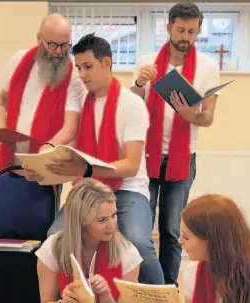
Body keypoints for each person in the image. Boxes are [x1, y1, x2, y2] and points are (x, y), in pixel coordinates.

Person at [32, 33, 165, 287]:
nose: (82, 75)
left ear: (107, 63)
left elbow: (131, 165)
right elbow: (69, 148)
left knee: (137, 240)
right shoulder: (80, 101)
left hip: (127, 189)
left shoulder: (131, 104)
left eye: (88, 67)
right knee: (54, 238)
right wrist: (43, 165)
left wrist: (87, 169)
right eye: (80, 68)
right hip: (89, 191)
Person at [0, 179, 152, 303]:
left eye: (113, 215)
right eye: (102, 220)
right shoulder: (53, 247)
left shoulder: (127, 253)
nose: (112, 224)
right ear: (81, 221)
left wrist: (105, 295)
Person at [130, 2, 221, 289]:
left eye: (191, 31)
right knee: (140, 230)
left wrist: (190, 115)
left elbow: (207, 119)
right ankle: (142, 289)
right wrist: (137, 83)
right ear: (168, 28)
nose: (185, 37)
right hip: (147, 156)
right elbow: (130, 105)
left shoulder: (207, 67)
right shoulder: (148, 61)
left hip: (183, 158)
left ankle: (167, 289)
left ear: (198, 32)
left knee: (171, 231)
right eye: (180, 30)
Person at [0, 13, 85, 181]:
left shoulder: (74, 76)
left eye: (64, 45)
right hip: (10, 161)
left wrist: (48, 147)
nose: (59, 52)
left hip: (45, 167)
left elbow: (70, 127)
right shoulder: (19, 60)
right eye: (53, 45)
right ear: (39, 38)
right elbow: (2, 99)